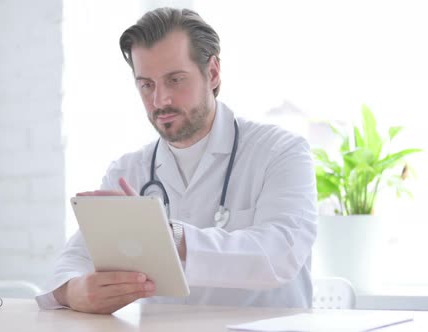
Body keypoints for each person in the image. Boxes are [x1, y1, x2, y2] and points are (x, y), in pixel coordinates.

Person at [35, 7, 317, 314]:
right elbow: (74, 259)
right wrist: (74, 291)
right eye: (147, 85)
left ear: (212, 73)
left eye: (175, 80)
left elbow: (281, 254)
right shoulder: (128, 170)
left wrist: (173, 236)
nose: (160, 100)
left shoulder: (281, 152)